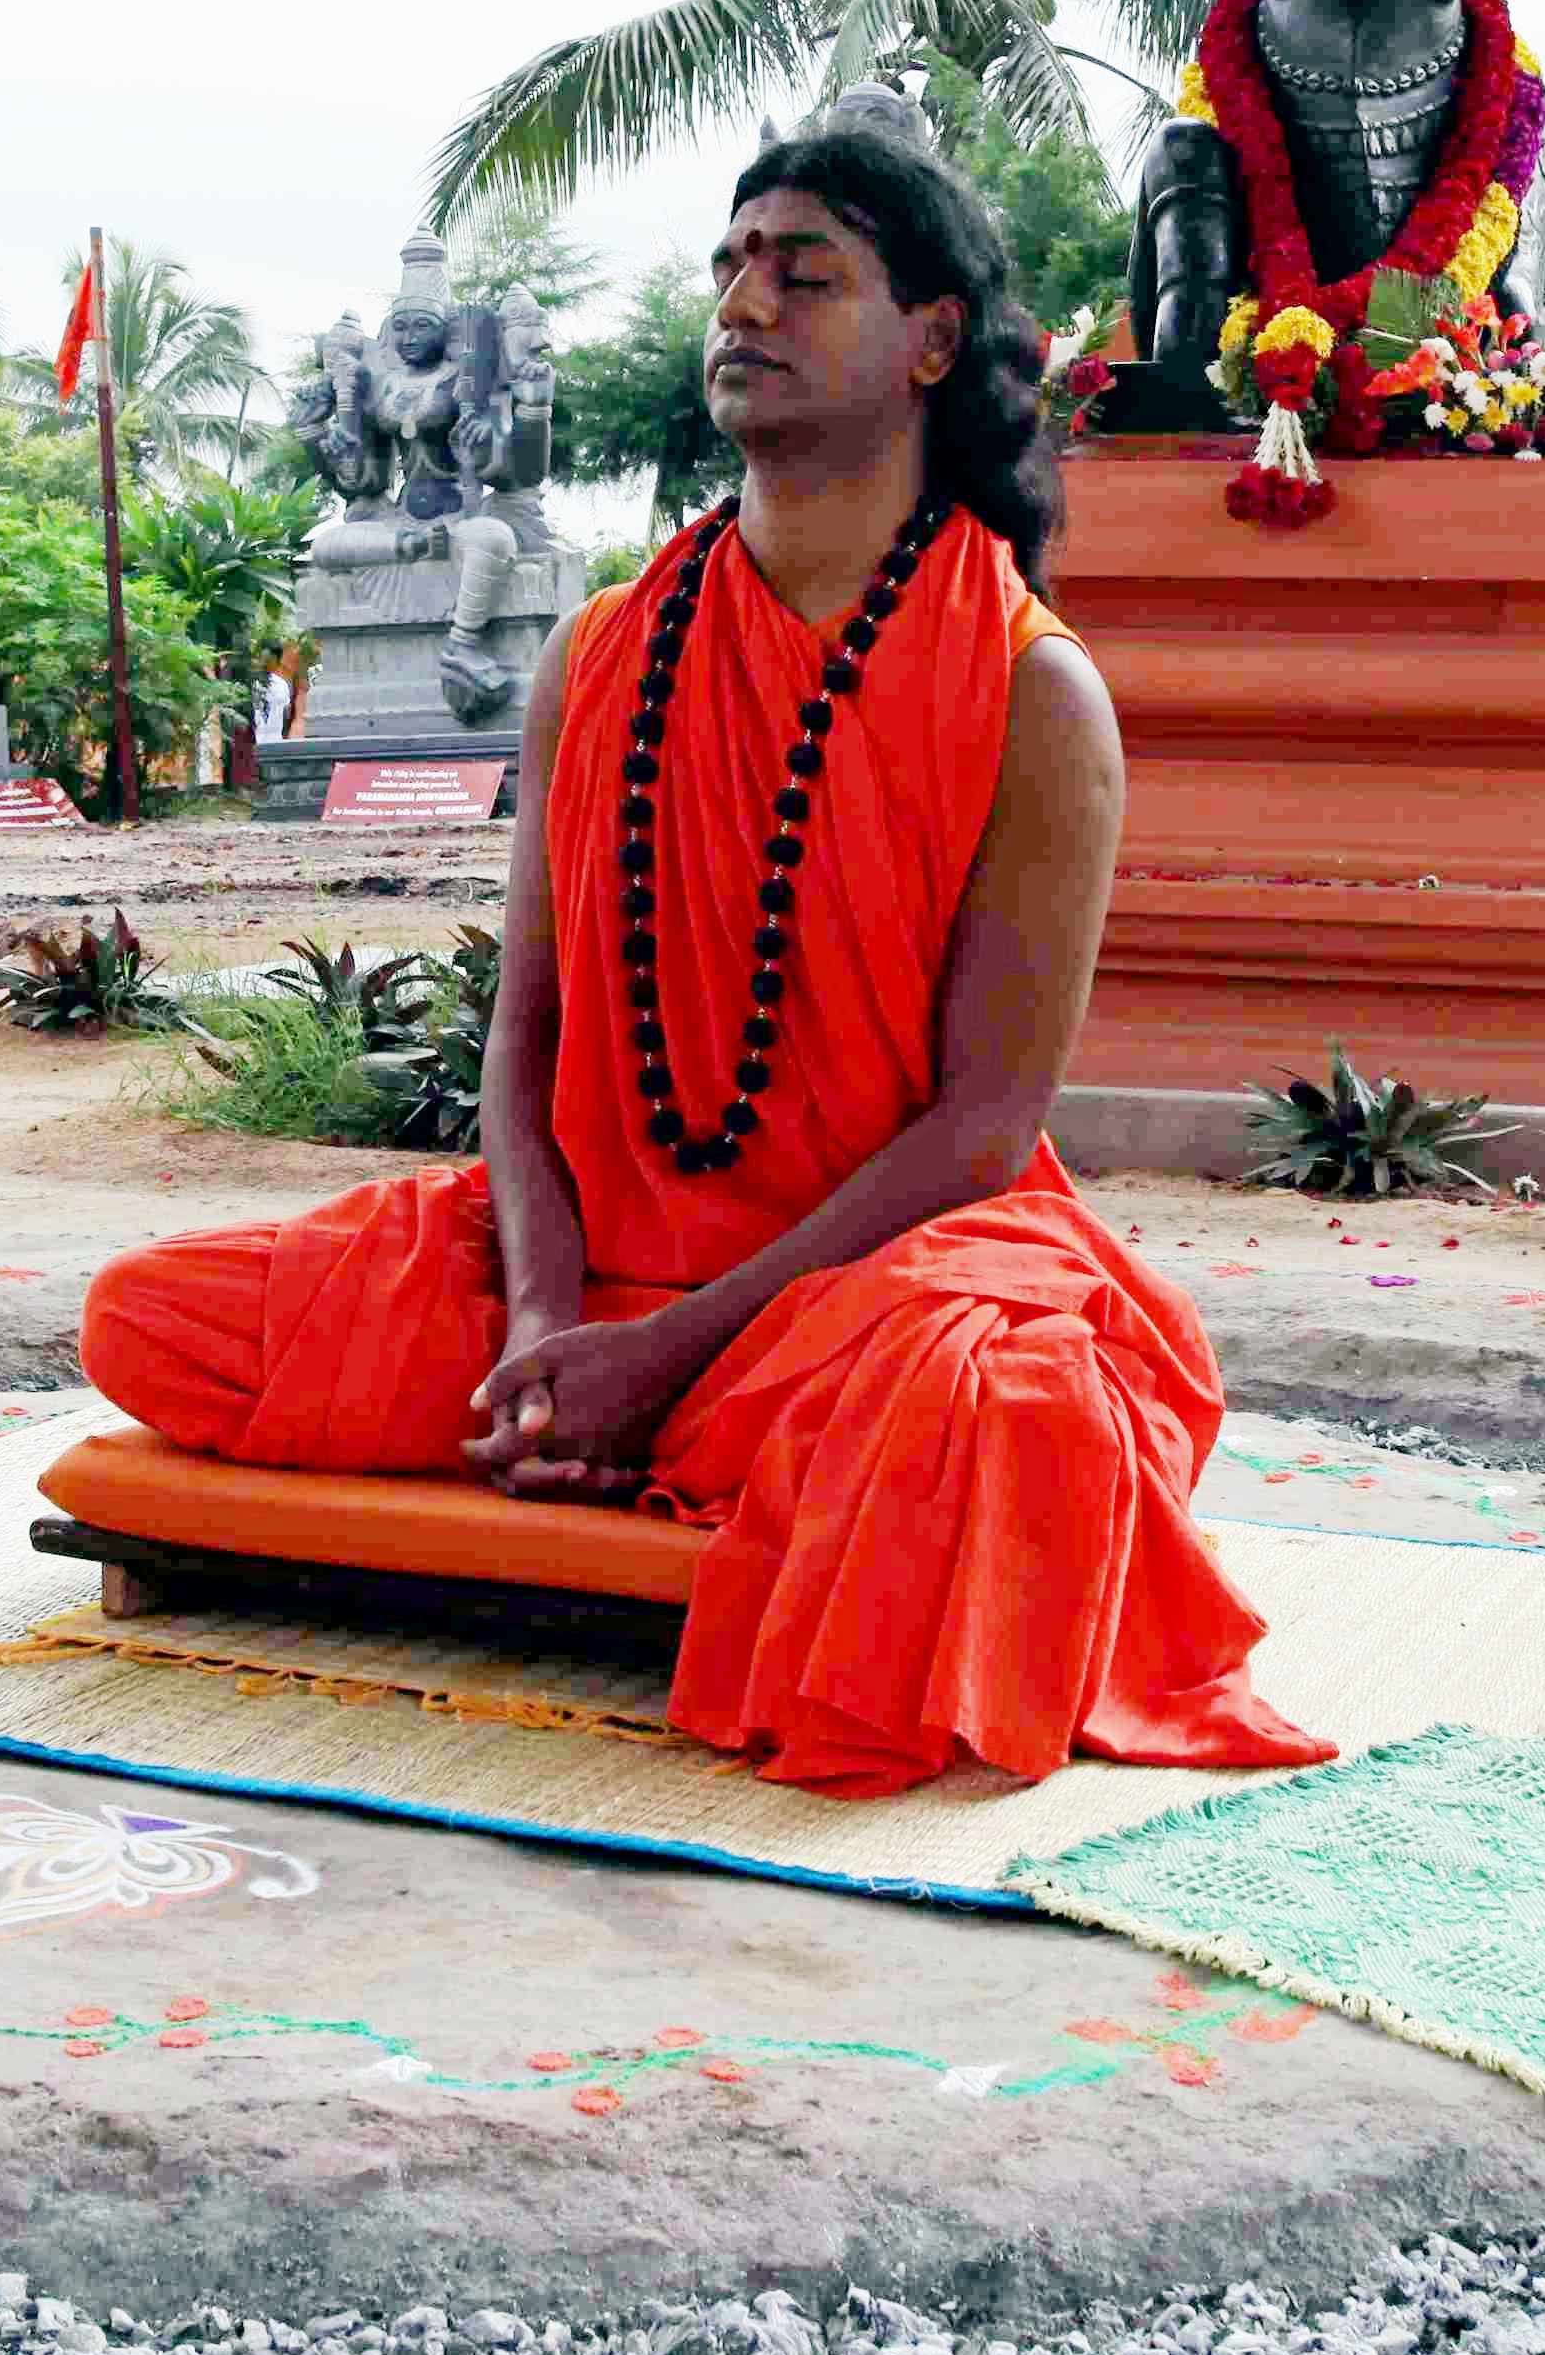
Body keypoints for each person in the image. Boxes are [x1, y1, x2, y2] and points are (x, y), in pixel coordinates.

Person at [79, 93, 1327, 1799]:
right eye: (732, 267)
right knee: (150, 1319)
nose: (744, 305)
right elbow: (523, 1041)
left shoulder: (1034, 690)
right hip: (584, 1267)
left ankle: (695, 1440)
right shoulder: (603, 647)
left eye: (804, 275)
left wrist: (662, 1357)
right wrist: (541, 1328)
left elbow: (981, 1131)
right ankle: (662, 1449)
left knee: (1006, 1415)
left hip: (866, 1297)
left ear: (932, 341)